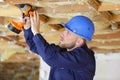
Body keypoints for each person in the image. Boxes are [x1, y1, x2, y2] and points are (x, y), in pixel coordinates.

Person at [23, 11, 96, 80]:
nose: (62, 34)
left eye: (68, 33)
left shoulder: (83, 57)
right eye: (65, 30)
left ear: (79, 41)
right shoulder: (64, 52)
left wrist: (36, 31)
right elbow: (36, 47)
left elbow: (49, 57)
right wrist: (28, 28)